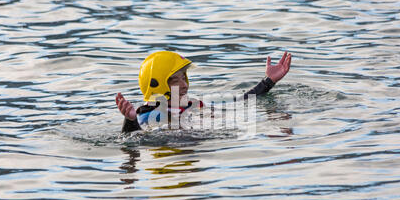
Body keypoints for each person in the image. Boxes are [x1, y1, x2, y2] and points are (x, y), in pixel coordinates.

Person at [116, 50, 292, 133]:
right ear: (158, 85)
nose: (184, 85)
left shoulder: (193, 104)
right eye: (176, 80)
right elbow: (136, 140)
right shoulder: (148, 114)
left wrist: (268, 82)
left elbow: (238, 104)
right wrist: (130, 120)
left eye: (184, 77)